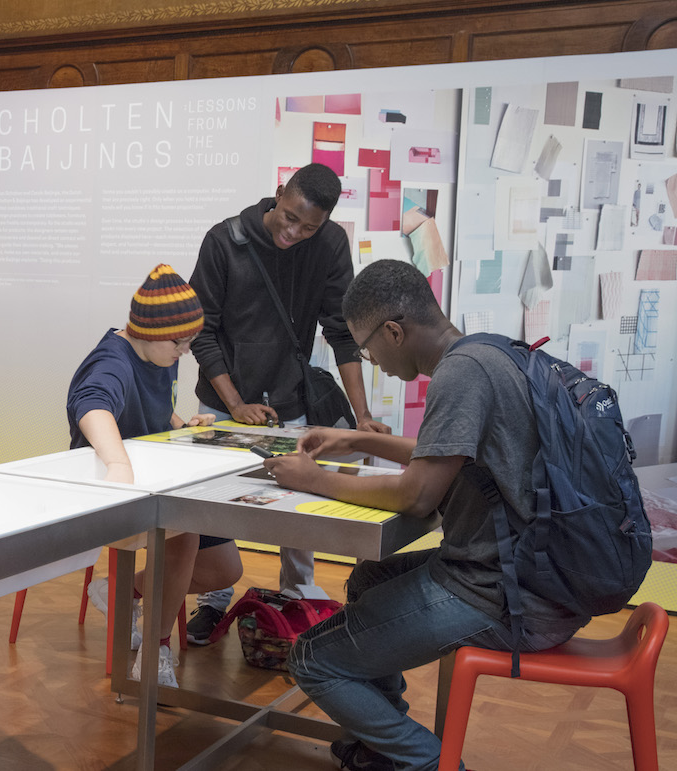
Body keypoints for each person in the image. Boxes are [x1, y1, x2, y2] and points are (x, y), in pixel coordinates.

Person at [265, 259, 589, 771]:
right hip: (544, 576)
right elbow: (446, 451)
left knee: (312, 657)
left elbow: (417, 496)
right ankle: (380, 744)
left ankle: (428, 762)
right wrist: (357, 438)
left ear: (395, 331)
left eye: (369, 349)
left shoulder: (459, 375)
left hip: (512, 597)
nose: (371, 361)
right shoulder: (491, 352)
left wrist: (313, 478)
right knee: (371, 578)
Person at [185, 162, 390, 641]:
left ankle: (298, 600)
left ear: (325, 223)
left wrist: (362, 417)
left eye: (308, 227)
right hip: (220, 402)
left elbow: (341, 334)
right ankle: (212, 598)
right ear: (278, 194)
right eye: (289, 217)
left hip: (288, 400)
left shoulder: (330, 246)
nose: (294, 232)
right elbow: (202, 332)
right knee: (209, 508)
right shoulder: (224, 241)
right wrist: (235, 405)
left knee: (298, 505)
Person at [70, 265, 243, 688]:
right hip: (114, 490)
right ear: (147, 331)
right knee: (184, 533)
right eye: (180, 342)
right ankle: (155, 648)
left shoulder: (158, 353)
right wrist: (118, 465)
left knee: (226, 571)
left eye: (190, 341)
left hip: (155, 479)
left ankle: (122, 591)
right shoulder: (113, 360)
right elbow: (92, 406)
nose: (186, 351)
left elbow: (157, 408)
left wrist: (185, 427)